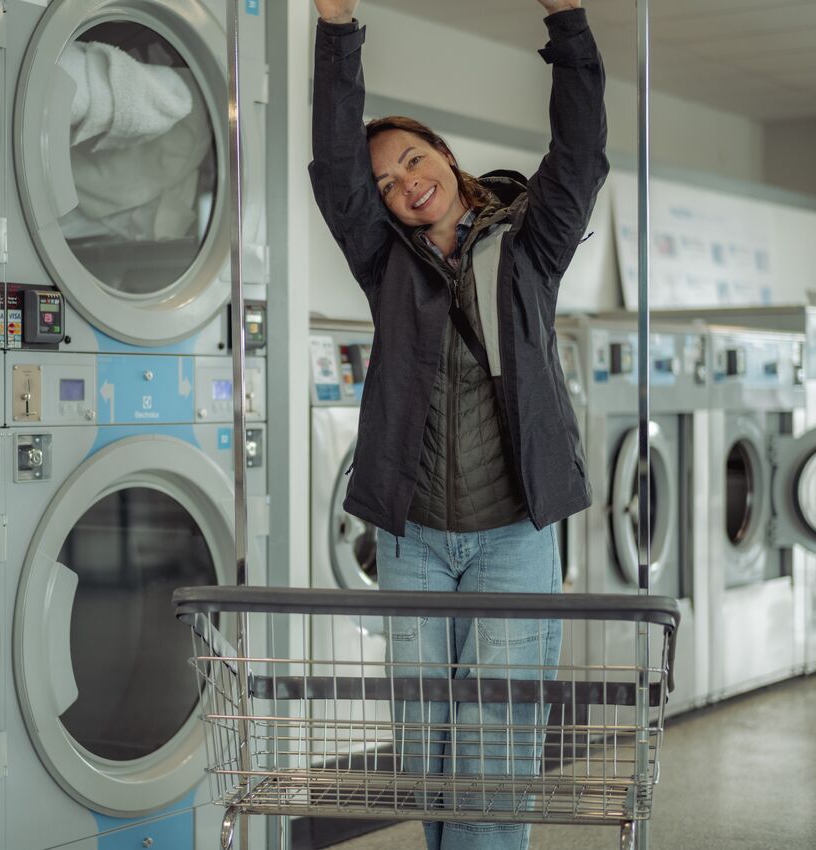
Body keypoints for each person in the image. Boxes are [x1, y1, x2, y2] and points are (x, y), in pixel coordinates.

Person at [308, 1, 606, 848]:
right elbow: (336, 167)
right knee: (427, 755)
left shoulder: (531, 242)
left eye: (412, 160)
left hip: (514, 535)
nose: (406, 183)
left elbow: (580, 153)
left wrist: (569, 26)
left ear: (443, 151)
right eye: (389, 185)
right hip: (415, 541)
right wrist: (337, 31)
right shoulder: (384, 262)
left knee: (495, 753)